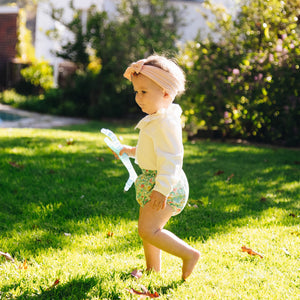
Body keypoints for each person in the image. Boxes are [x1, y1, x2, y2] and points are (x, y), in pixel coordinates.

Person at [120, 55, 200, 280]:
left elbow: (172, 159)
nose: (138, 98)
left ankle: (189, 255)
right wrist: (132, 150)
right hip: (155, 180)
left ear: (166, 93)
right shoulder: (158, 118)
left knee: (148, 230)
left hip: (166, 184)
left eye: (144, 92)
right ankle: (152, 269)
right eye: (136, 91)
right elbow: (154, 151)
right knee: (148, 230)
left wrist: (161, 189)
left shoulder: (165, 122)